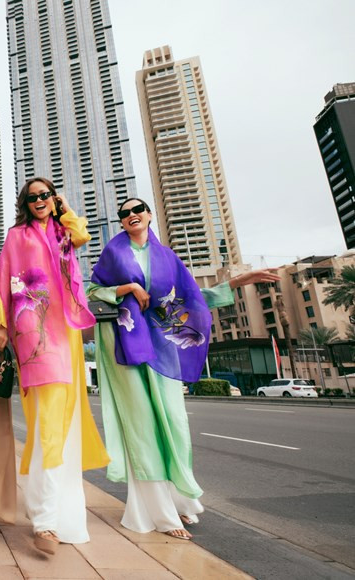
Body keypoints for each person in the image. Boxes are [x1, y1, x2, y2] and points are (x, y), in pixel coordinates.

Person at [88, 197, 279, 540]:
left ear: (148, 215)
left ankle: (180, 501)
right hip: (125, 343)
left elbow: (189, 299)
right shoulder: (113, 253)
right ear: (121, 222)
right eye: (124, 213)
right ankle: (158, 513)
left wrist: (239, 281)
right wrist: (127, 288)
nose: (131, 215)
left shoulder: (167, 258)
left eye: (137, 210)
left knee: (174, 422)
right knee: (142, 426)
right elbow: (94, 290)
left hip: (162, 344)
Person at [0, 177, 109, 553]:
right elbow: (5, 281)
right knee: (48, 417)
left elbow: (82, 236)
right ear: (24, 203)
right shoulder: (16, 236)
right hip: (34, 326)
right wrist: (1, 323)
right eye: (33, 197)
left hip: (68, 328)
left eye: (45, 195)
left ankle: (46, 513)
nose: (39, 201)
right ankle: (44, 521)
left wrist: (64, 207)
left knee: (57, 419)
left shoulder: (62, 231)